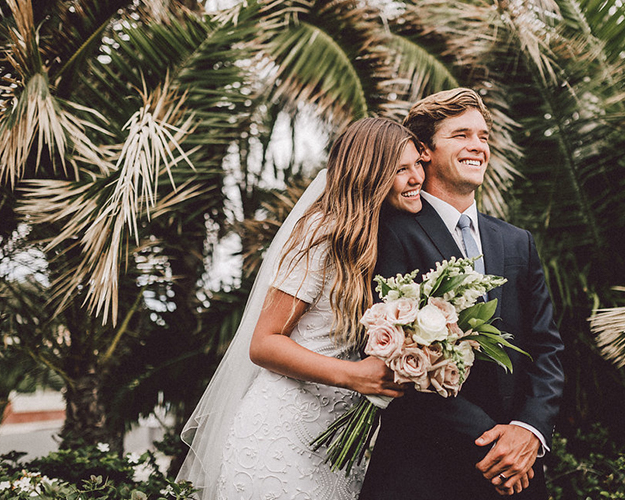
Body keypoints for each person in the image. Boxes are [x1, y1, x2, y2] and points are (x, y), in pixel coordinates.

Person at [177, 117, 426, 500]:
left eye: (418, 165)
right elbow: (264, 344)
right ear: (369, 175)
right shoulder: (321, 235)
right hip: (282, 435)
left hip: (337, 442)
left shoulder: (382, 240)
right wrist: (354, 376)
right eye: (401, 169)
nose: (417, 177)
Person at [359, 88, 564, 499]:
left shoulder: (516, 241)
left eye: (484, 137)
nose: (477, 146)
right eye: (461, 135)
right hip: (426, 470)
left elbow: (547, 348)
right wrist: (494, 442)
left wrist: (528, 431)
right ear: (424, 150)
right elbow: (394, 358)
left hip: (518, 471)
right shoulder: (390, 232)